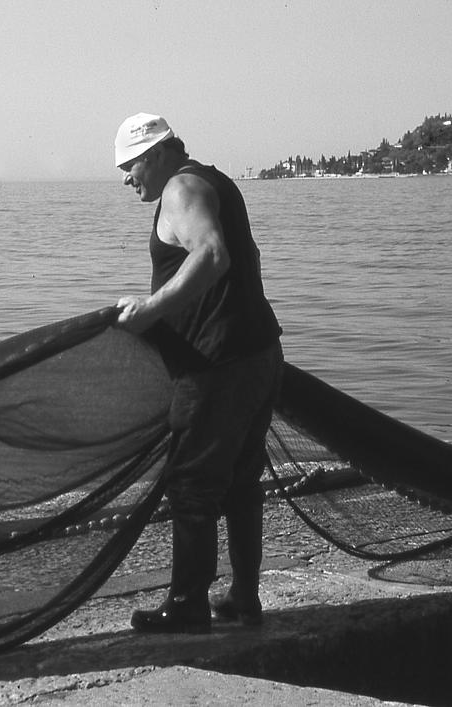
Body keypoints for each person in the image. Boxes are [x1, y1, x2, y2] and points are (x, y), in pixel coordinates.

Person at [112, 113, 283, 634]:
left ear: (159, 152)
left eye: (130, 164)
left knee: (190, 484)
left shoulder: (182, 187)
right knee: (239, 483)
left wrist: (151, 310)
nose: (126, 177)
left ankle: (187, 604)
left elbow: (212, 255)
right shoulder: (214, 180)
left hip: (217, 365)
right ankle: (243, 598)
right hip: (259, 354)